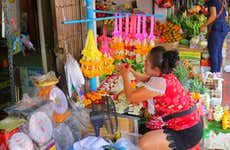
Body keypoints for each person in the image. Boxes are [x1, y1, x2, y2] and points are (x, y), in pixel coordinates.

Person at [117, 46, 203, 150]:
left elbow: (131, 97)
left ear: (156, 69)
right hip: (190, 123)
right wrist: (132, 72)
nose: (144, 65)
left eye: (146, 63)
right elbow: (147, 79)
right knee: (148, 133)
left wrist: (125, 75)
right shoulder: (163, 75)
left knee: (144, 143)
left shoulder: (159, 83)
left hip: (187, 132)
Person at [200, 0, 229, 76]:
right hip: (223, 28)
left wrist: (204, 25)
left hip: (217, 29)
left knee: (213, 51)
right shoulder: (220, 1)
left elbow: (213, 16)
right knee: (218, 50)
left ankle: (214, 73)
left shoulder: (212, 1)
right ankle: (218, 72)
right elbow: (226, 17)